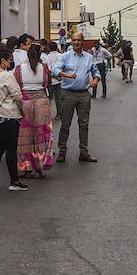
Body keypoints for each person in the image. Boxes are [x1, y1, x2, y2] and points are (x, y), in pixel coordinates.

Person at [54, 33, 101, 164]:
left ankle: (84, 152)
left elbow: (95, 71)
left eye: (78, 40)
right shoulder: (65, 56)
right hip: (68, 93)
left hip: (84, 95)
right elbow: (55, 70)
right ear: (71, 42)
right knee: (65, 124)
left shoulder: (89, 57)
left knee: (84, 124)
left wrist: (96, 80)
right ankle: (62, 152)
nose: (76, 43)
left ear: (82, 41)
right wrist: (66, 74)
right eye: (74, 40)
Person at [0, 50, 26, 190]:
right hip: (9, 115)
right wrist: (21, 110)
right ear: (3, 60)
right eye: (9, 60)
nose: (10, 62)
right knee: (11, 149)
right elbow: (17, 96)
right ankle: (14, 181)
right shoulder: (7, 76)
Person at [15, 42, 53, 177]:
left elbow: (17, 85)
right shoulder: (44, 68)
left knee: (26, 136)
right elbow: (48, 84)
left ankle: (27, 167)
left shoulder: (19, 69)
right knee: (41, 135)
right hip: (42, 102)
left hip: (25, 103)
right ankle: (39, 167)